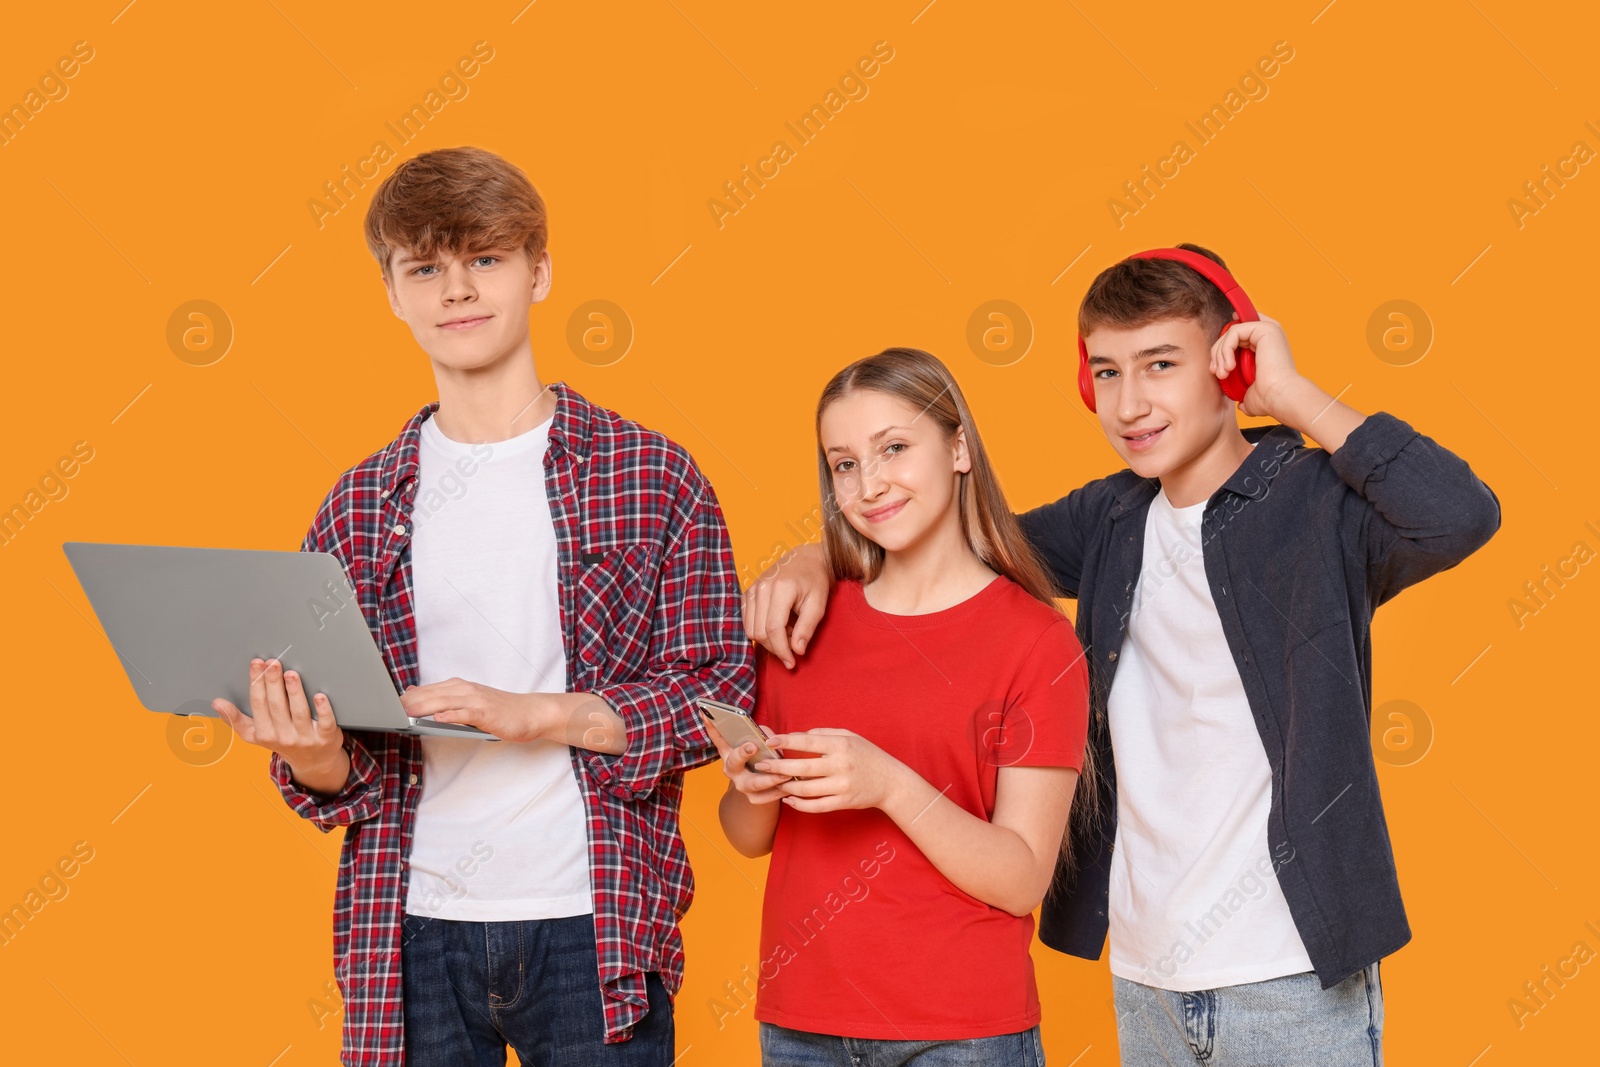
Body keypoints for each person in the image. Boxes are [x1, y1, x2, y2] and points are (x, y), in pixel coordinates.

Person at [742, 246, 1501, 1065]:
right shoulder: (1110, 517)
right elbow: (940, 535)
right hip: (1146, 974)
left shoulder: (1316, 505)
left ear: (1228, 364)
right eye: (1106, 372)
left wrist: (1288, 394)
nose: (1130, 402)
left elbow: (1458, 514)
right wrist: (814, 557)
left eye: (1161, 364)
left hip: (1290, 971)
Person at [211, 145, 754, 1067]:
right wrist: (317, 757)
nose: (456, 291)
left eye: (485, 260)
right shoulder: (357, 505)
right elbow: (343, 771)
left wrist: (542, 715)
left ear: (539, 272)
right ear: (392, 293)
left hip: (596, 924)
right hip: (410, 931)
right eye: (425, 268)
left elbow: (721, 697)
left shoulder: (653, 475)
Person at [709, 348, 1091, 1066]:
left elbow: (1021, 878)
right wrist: (751, 784)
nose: (870, 482)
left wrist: (888, 783)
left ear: (957, 448)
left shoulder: (1038, 643)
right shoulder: (802, 620)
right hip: (801, 1025)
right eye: (844, 463)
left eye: (893, 448)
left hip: (962, 1029)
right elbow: (749, 836)